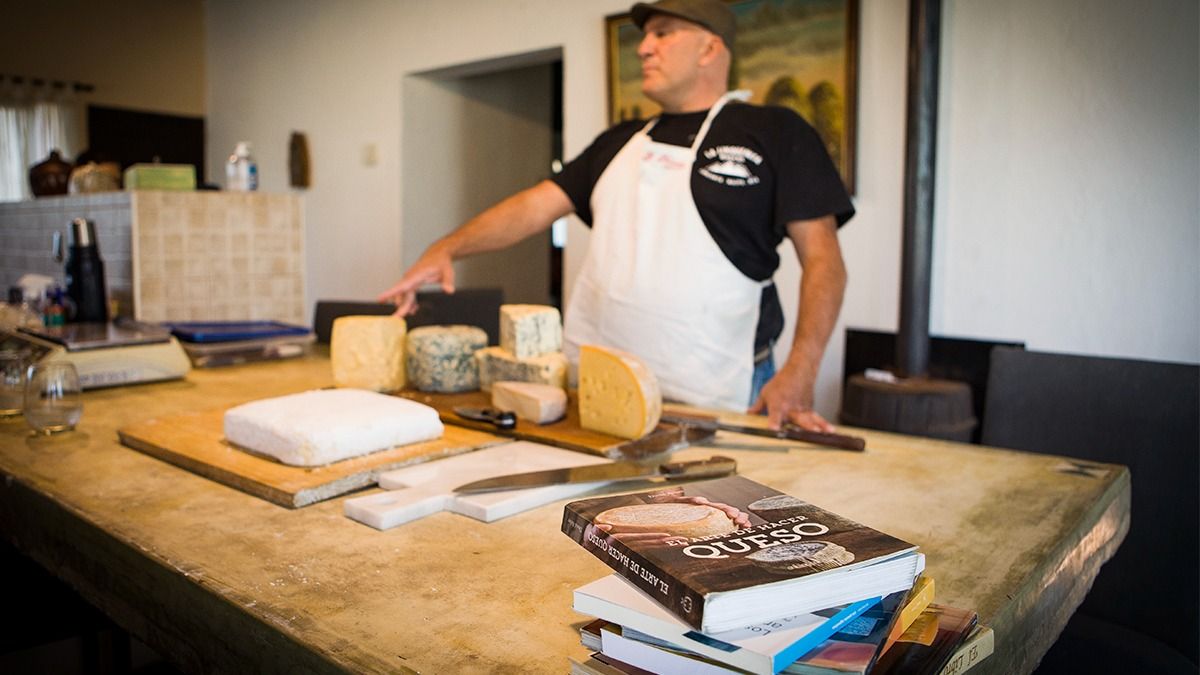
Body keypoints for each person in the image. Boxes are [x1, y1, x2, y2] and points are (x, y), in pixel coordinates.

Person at [380, 0, 853, 432]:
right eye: (643, 37)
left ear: (710, 48)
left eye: (663, 33)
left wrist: (801, 369)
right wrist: (447, 247)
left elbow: (824, 262)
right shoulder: (619, 141)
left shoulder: (776, 132)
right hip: (599, 394)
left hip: (720, 393)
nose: (644, 48)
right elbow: (532, 207)